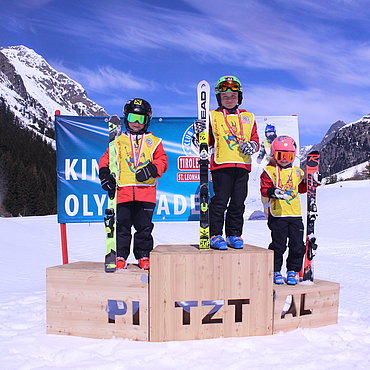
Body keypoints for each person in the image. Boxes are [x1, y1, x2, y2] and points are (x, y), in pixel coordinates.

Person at [99, 98, 168, 270]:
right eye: (132, 118)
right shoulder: (118, 141)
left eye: (141, 119)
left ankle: (144, 255)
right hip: (122, 193)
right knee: (122, 227)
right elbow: (106, 159)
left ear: (147, 121)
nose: (136, 123)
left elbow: (163, 161)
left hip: (146, 193)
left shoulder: (154, 141)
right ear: (126, 118)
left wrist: (151, 169)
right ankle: (121, 255)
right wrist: (105, 174)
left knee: (144, 228)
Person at [193, 75, 259, 250]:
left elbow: (255, 139)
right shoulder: (213, 116)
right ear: (219, 98)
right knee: (220, 201)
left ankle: (233, 234)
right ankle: (215, 234)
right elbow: (205, 142)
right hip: (222, 165)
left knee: (238, 202)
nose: (229, 99)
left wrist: (252, 145)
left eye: (233, 96)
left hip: (242, 166)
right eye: (225, 96)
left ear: (239, 97)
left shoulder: (248, 117)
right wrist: (198, 133)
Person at [260, 135, 306, 285]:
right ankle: (275, 270)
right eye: (281, 155)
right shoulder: (269, 171)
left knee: (297, 245)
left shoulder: (298, 172)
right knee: (279, 244)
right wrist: (273, 192)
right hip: (278, 214)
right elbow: (264, 189)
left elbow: (302, 188)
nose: (285, 159)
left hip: (295, 214)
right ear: (274, 155)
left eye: (289, 156)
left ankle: (292, 270)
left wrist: (312, 182)